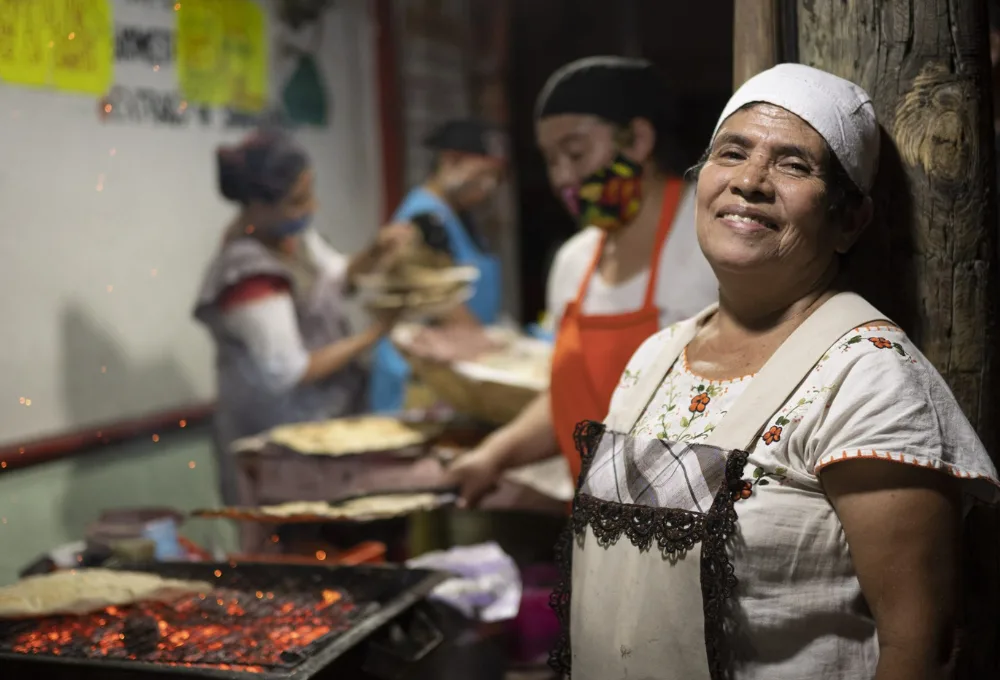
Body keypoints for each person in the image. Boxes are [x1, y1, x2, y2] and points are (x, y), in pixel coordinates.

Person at [550, 63, 1000, 680]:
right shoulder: (655, 358)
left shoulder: (869, 380)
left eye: (794, 165)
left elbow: (922, 647)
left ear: (849, 221)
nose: (750, 182)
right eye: (731, 152)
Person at [446, 57, 718, 505]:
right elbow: (568, 397)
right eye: (550, 160)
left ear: (640, 140)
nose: (562, 178)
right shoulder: (574, 262)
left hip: (692, 533)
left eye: (575, 153)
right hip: (598, 537)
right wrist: (494, 455)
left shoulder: (710, 240)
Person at [194, 129, 415, 504]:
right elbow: (289, 371)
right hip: (277, 444)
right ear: (258, 206)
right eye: (298, 200)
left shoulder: (292, 238)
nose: (312, 207)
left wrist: (374, 251)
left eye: (311, 192)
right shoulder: (248, 274)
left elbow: (337, 280)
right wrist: (377, 331)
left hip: (325, 424)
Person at [368, 119, 508, 413]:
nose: (488, 187)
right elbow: (436, 298)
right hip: (419, 374)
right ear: (450, 161)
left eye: (495, 178)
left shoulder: (457, 214)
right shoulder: (423, 218)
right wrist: (492, 350)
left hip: (454, 360)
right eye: (482, 175)